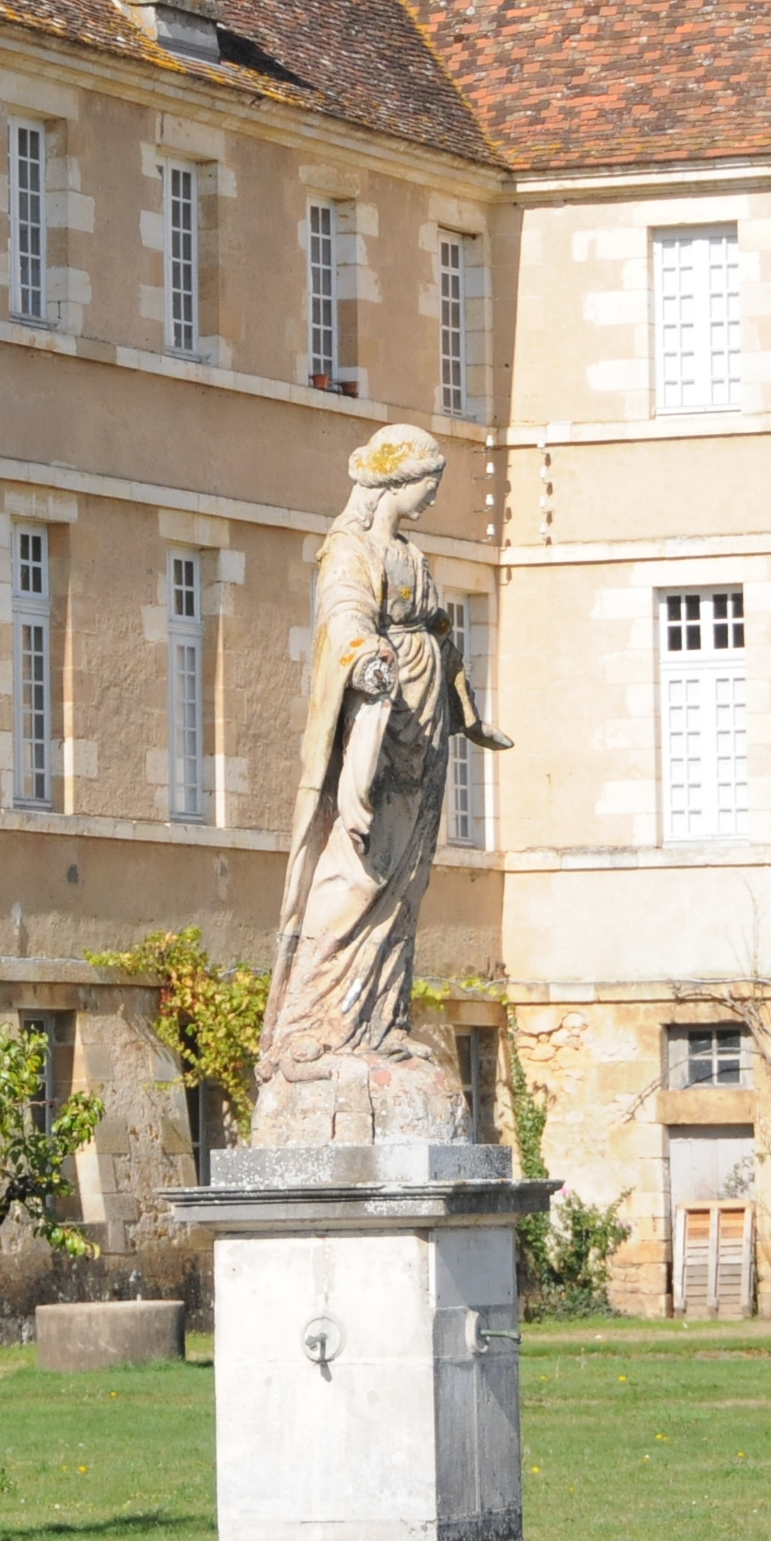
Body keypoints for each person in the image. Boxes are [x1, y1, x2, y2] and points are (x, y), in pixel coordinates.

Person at [256, 426, 514, 1143]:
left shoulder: (413, 556)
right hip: (382, 727)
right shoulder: (350, 549)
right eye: (428, 482)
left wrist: (469, 713)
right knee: (360, 870)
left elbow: (440, 632)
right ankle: (311, 1024)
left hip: (425, 733)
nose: (433, 496)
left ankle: (379, 1023)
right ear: (396, 483)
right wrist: (368, 660)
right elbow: (344, 618)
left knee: (406, 882)